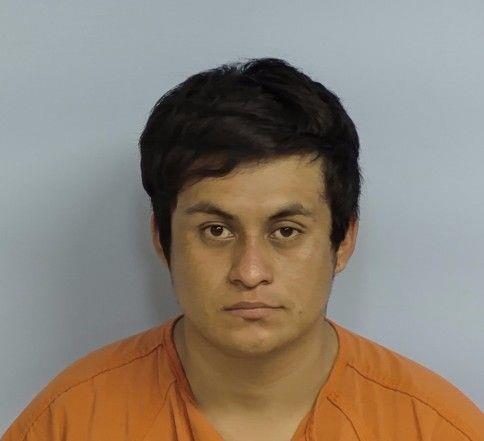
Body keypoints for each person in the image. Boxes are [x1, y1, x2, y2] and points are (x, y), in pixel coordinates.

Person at [2, 57, 482, 441]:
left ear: (343, 241)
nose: (250, 272)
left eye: (286, 231)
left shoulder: (437, 427)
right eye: (216, 230)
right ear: (162, 240)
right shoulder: (67, 422)